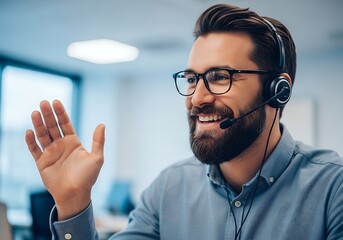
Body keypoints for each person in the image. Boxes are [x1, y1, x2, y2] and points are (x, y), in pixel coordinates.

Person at [25, 3, 343, 240]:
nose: (197, 98)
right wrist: (73, 204)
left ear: (277, 91)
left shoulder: (332, 191)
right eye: (192, 78)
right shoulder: (169, 188)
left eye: (220, 77)